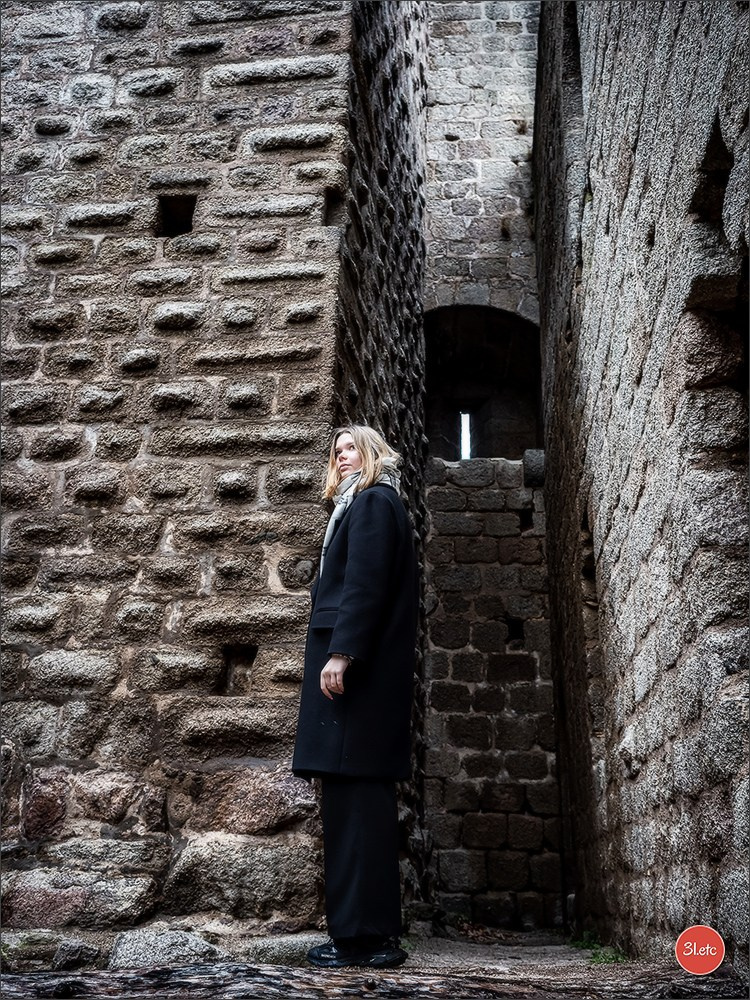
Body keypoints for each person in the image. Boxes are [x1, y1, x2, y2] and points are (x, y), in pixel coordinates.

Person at [292, 424, 419, 969]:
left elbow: (363, 585)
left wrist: (341, 653)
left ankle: (363, 939)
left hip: (355, 679)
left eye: (352, 449)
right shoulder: (367, 506)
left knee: (358, 801)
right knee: (353, 801)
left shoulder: (371, 504)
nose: (343, 457)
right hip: (360, 679)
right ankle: (364, 934)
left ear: (373, 454)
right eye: (337, 451)